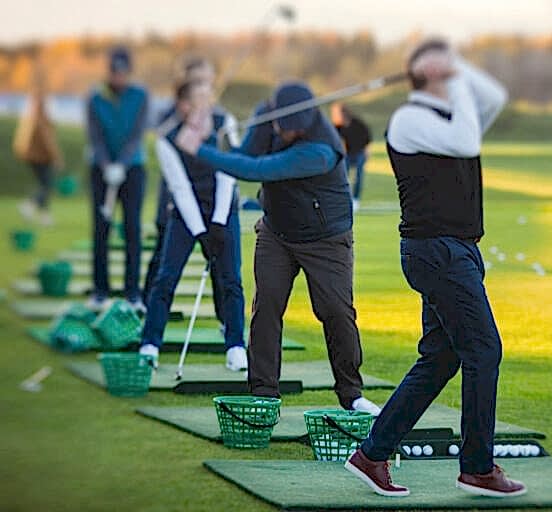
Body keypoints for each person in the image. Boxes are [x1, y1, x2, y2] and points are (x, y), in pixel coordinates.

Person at [344, 39, 525, 499]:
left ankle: (371, 454)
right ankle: (478, 468)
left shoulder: (456, 112)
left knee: (442, 357)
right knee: (484, 350)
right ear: (419, 72)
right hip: (436, 252)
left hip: (457, 251)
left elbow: (495, 100)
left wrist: (458, 67)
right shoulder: (411, 119)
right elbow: (466, 141)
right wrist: (452, 78)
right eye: (438, 60)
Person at [174, 81, 381, 415]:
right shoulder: (269, 115)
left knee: (336, 312)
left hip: (326, 237)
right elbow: (244, 155)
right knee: (266, 306)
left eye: (292, 132)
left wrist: (199, 149)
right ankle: (264, 393)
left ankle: (351, 394)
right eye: (281, 128)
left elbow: (257, 170)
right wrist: (210, 139)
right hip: (277, 230)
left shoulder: (320, 149)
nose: (284, 135)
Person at [138, 79, 247, 371]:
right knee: (166, 277)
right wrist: (201, 232)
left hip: (224, 208)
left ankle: (236, 346)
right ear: (182, 105)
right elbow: (180, 188)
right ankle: (150, 344)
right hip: (185, 213)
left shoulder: (226, 123)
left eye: (206, 98)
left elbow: (229, 172)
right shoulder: (167, 138)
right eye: (196, 100)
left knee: (231, 280)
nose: (203, 105)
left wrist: (219, 224)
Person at [85, 46, 149, 312]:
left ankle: (132, 292)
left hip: (133, 169)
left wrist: (121, 165)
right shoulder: (95, 97)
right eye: (114, 72)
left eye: (123, 72)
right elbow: (95, 136)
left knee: (132, 228)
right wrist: (106, 165)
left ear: (129, 72)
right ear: (108, 72)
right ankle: (100, 290)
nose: (118, 77)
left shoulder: (140, 96)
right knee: (101, 228)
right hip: (100, 170)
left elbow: (137, 135)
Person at [13, 71, 63, 226]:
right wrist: (56, 156)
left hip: (32, 153)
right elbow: (46, 137)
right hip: (39, 155)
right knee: (46, 184)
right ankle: (29, 205)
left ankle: (44, 216)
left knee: (45, 184)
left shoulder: (31, 108)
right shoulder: (40, 109)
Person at [331, 103, 371, 211]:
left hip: (359, 153)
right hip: (347, 155)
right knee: (343, 177)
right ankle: (344, 200)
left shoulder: (357, 123)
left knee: (358, 176)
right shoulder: (337, 128)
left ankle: (356, 200)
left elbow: (367, 137)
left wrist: (367, 151)